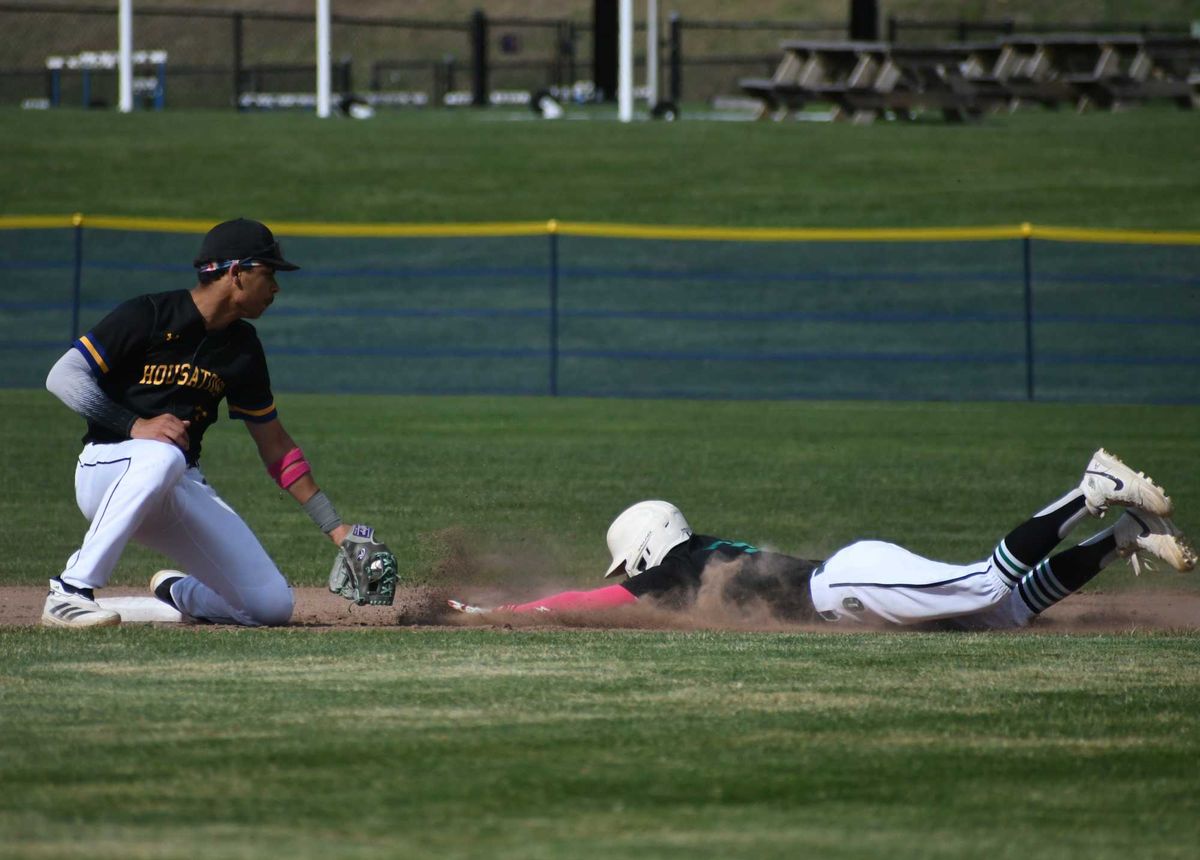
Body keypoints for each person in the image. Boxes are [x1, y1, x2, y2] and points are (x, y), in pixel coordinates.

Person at [448, 449, 1196, 628]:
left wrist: (501, 614)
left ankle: (1088, 489)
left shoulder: (673, 569)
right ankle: (1121, 537)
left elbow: (589, 598)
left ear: (643, 545)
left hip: (845, 582)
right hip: (850, 588)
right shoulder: (694, 551)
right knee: (1003, 614)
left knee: (981, 584)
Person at [42, 218, 354, 628]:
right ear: (236, 274)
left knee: (271, 607)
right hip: (107, 468)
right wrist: (134, 424)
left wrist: (338, 531)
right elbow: (62, 377)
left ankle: (178, 596)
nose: (276, 287)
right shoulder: (150, 314)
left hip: (177, 481)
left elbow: (276, 447)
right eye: (269, 273)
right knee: (162, 455)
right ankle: (70, 590)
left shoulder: (242, 348)